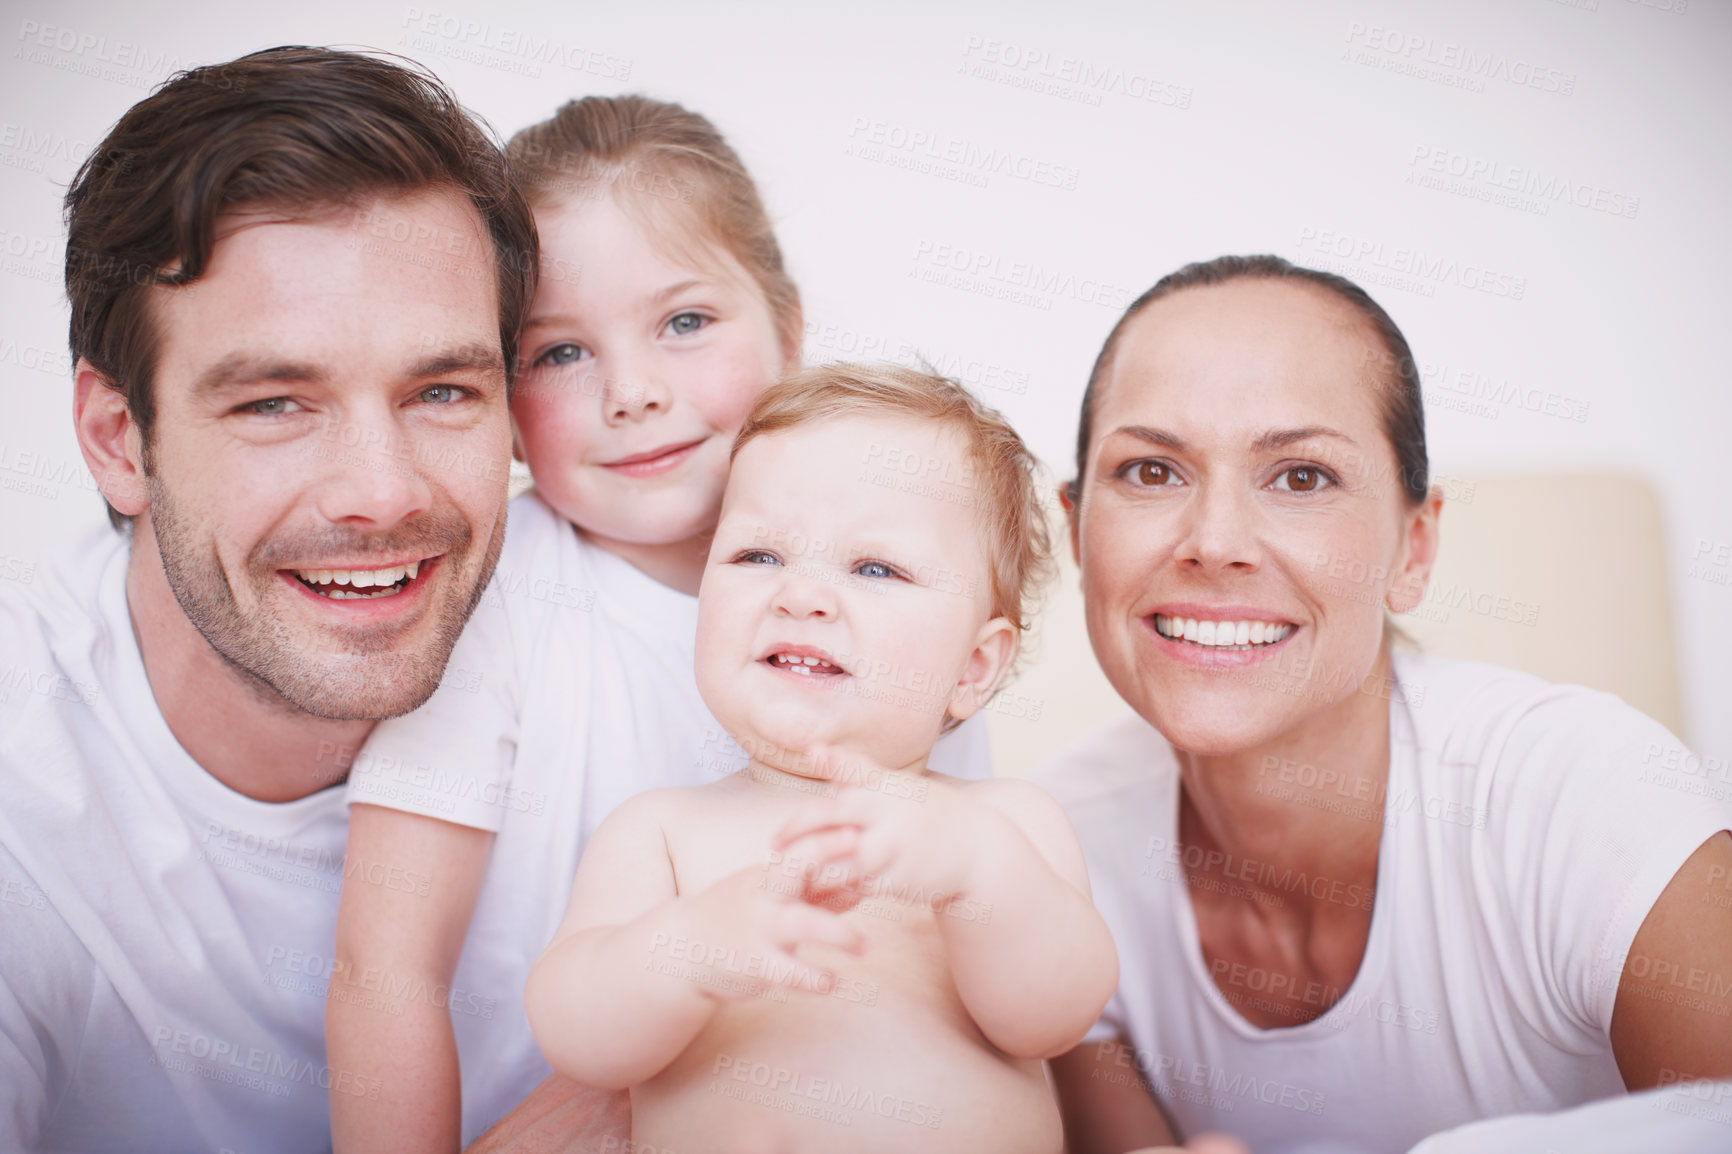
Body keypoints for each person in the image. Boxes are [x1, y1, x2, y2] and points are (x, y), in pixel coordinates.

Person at [328, 101, 993, 1151]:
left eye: (684, 322)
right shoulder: (492, 597)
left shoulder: (903, 590)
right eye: (558, 354)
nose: (633, 392)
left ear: (791, 326)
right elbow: (387, 970)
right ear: (498, 390)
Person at [1041, 254, 1732, 1153]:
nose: (1213, 542)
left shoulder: (1586, 792)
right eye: (1151, 472)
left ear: (1414, 547)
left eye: (1300, 477)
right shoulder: (1055, 866)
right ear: (1076, 532)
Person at [0, 48, 539, 1153]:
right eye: (275, 403)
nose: (383, 492)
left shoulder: (701, 639)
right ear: (119, 441)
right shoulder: (22, 800)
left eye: (443, 391)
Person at [522, 363, 1118, 1151]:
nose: (800, 595)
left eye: (875, 568)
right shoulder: (662, 833)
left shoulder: (1000, 825)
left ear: (973, 669)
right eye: (758, 556)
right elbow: (578, 1037)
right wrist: (688, 949)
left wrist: (977, 874)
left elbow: (1051, 1019)